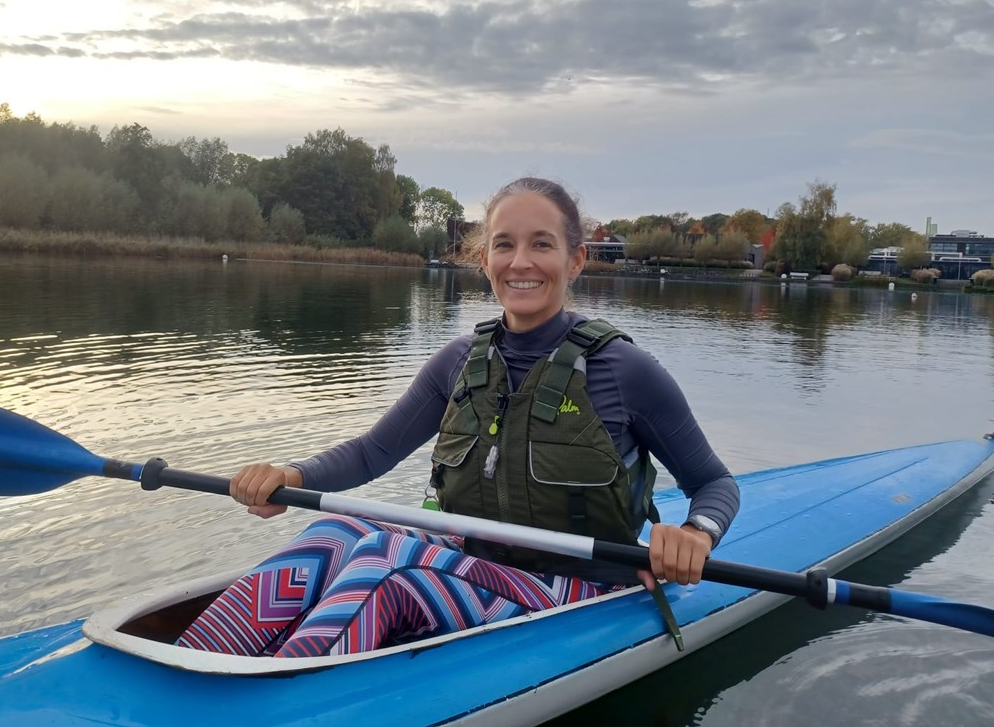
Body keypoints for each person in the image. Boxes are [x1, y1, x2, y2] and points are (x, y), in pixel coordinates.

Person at [177, 177, 740, 658]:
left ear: (575, 259)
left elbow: (714, 483)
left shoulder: (624, 369)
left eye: (541, 244)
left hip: (578, 591)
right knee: (334, 529)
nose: (521, 262)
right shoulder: (457, 362)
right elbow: (373, 453)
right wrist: (292, 478)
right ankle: (197, 661)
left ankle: (275, 695)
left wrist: (696, 532)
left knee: (388, 565)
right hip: (472, 565)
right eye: (504, 245)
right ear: (483, 260)